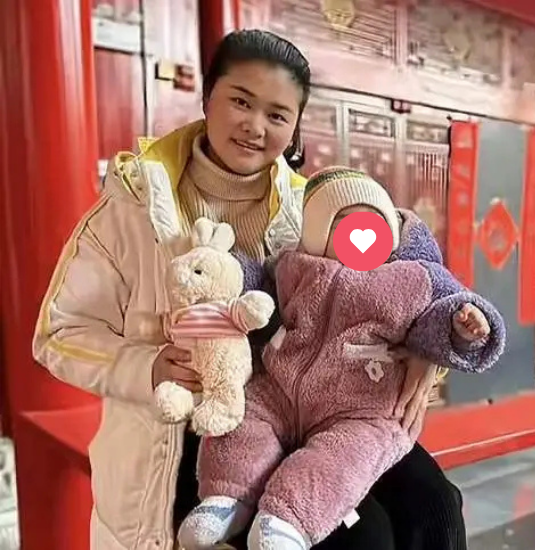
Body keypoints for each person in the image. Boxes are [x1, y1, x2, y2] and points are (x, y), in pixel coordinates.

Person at [33, 29, 468, 550]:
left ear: (295, 126)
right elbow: (59, 334)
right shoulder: (130, 209)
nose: (255, 127)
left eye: (277, 115)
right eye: (240, 101)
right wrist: (147, 367)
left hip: (315, 411)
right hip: (186, 429)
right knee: (364, 535)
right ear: (207, 97)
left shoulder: (312, 206)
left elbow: (410, 281)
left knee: (437, 508)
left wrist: (427, 350)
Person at [178, 168, 506, 550]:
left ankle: (287, 519)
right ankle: (226, 500)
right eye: (342, 225)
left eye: (372, 223)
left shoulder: (400, 275)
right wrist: (218, 273)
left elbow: (439, 305)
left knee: (437, 506)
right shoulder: (294, 264)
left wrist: (453, 332)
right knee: (365, 530)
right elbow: (250, 282)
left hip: (358, 411)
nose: (360, 233)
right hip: (273, 393)